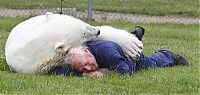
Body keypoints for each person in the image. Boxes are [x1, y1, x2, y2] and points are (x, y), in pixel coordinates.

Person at [50, 26, 189, 77]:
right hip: (116, 50)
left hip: (128, 56)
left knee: (146, 64)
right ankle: (134, 37)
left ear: (87, 51)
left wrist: (103, 74)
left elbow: (126, 72)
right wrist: (83, 76)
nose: (88, 68)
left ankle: (167, 55)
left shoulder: (106, 52)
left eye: (86, 63)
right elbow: (56, 71)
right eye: (82, 68)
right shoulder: (77, 55)